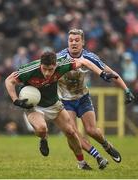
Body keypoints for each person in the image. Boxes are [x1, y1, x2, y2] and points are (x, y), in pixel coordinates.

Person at [5, 51, 117, 170]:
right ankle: (43, 138)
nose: (47, 73)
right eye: (44, 69)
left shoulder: (62, 65)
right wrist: (16, 100)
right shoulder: (29, 70)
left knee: (70, 132)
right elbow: (9, 80)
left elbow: (84, 61)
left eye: (51, 69)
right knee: (42, 129)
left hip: (54, 104)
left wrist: (101, 73)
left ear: (56, 66)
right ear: (40, 65)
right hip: (34, 106)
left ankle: (82, 163)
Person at [57, 29, 135, 164]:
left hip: (83, 98)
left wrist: (126, 90)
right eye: (71, 41)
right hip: (65, 100)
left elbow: (111, 73)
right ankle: (97, 156)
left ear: (83, 42)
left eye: (77, 40)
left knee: (92, 130)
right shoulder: (59, 58)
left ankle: (106, 145)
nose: (74, 43)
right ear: (67, 42)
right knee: (73, 134)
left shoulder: (90, 57)